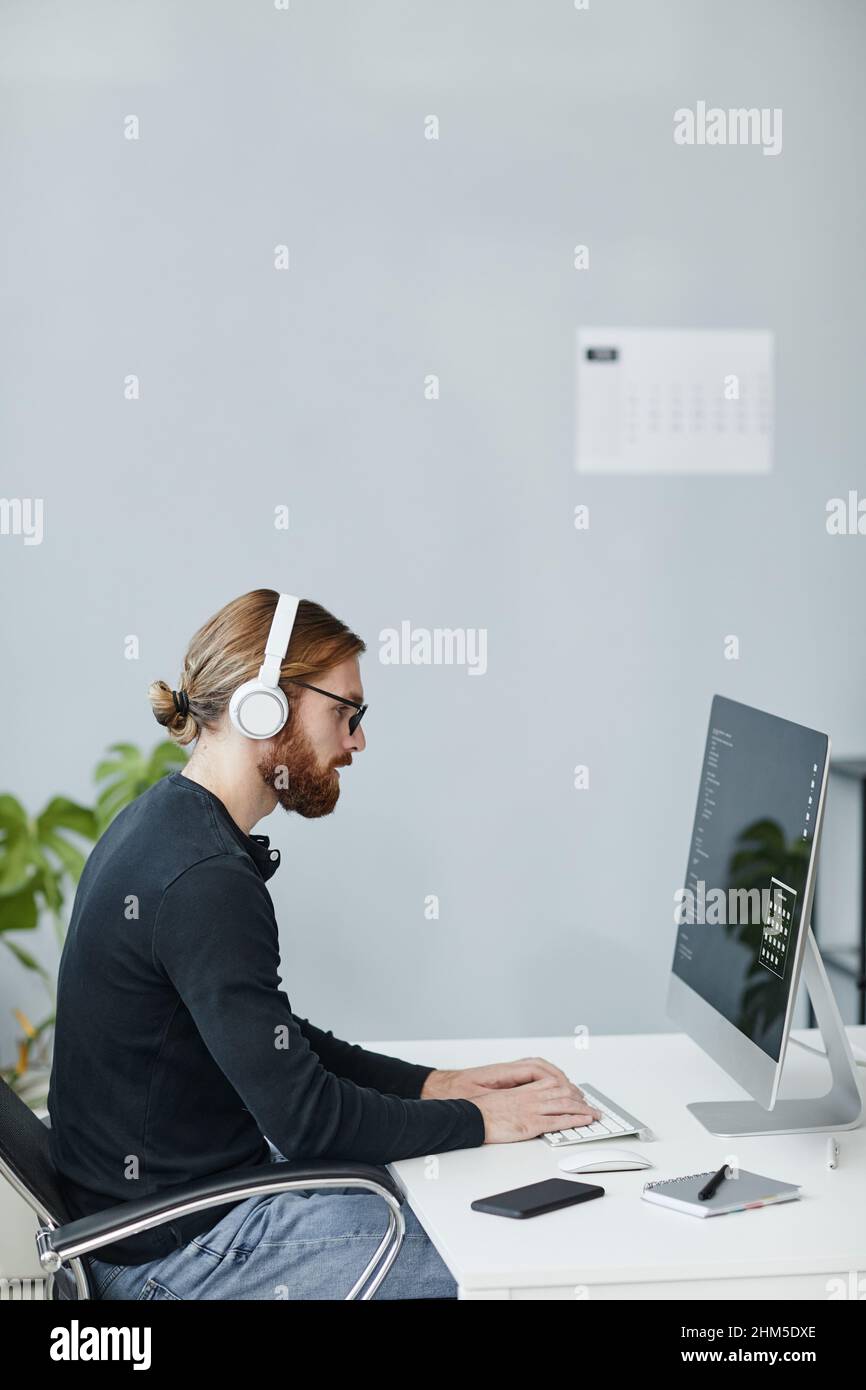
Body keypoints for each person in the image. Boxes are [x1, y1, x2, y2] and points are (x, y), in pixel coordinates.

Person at [48, 588, 600, 1299]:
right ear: (264, 706)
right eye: (345, 712)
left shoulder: (165, 822)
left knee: (486, 1210)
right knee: (515, 1266)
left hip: (176, 1214)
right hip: (178, 1257)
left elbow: (274, 1041)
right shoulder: (203, 878)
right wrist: (479, 1119)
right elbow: (307, 1121)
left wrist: (436, 1086)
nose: (357, 740)